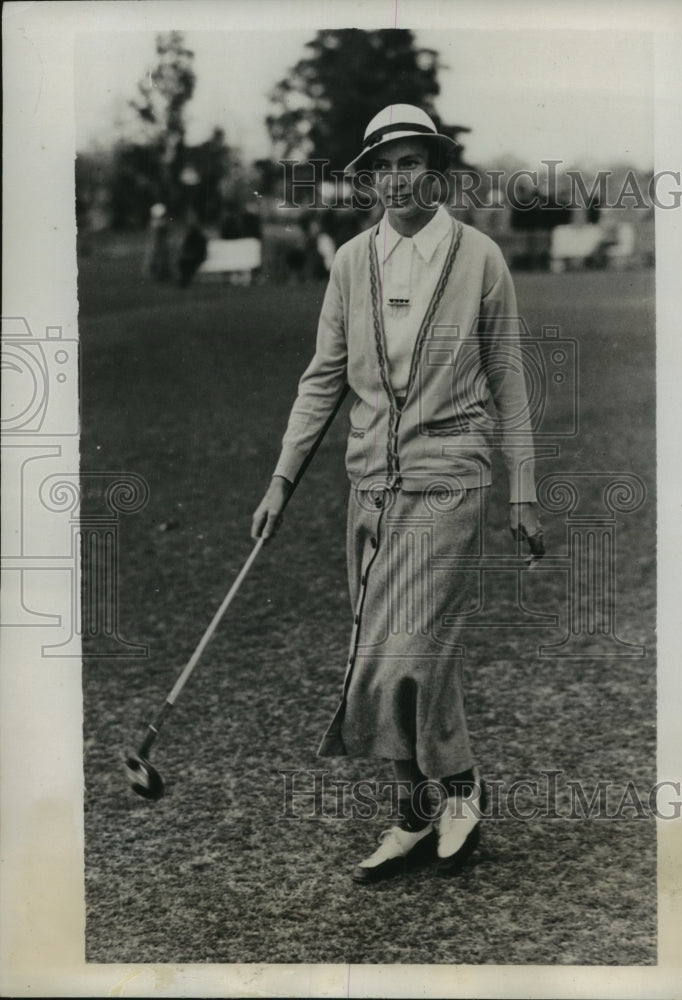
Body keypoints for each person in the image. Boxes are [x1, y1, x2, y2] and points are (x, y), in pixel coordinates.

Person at [252, 104, 544, 882]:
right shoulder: (351, 262)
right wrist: (282, 478)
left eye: (415, 161)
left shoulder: (480, 256)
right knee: (376, 656)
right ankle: (414, 812)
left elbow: (508, 376)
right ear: (371, 177)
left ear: (437, 170)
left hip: (453, 478)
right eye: (387, 164)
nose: (401, 176)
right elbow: (322, 379)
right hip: (371, 486)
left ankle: (460, 788)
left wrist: (524, 489)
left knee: (411, 652)